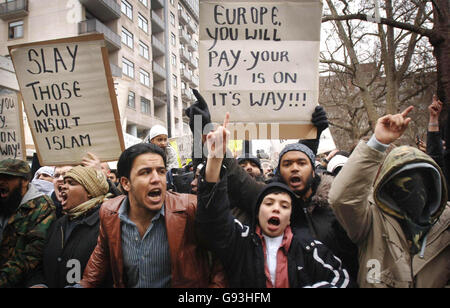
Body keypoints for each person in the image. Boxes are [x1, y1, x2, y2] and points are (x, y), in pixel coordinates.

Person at [185, 90, 359, 281]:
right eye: (286, 164)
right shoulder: (262, 199)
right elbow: (229, 173)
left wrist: (314, 132)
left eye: (301, 164)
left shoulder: (336, 207)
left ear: (314, 170)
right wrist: (201, 126)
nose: (294, 169)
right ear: (278, 173)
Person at [329, 106, 450, 288]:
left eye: (419, 183)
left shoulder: (447, 223)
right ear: (387, 184)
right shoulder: (371, 220)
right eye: (402, 184)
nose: (412, 192)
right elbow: (342, 199)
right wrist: (377, 144)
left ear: (434, 186)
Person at [78, 143, 226, 288]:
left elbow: (222, 252)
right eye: (145, 172)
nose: (156, 179)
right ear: (125, 183)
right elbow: (100, 258)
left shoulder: (189, 208)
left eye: (161, 171)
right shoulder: (109, 212)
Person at [28, 166, 113, 288]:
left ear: (89, 191)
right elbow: (38, 263)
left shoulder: (105, 224)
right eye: (64, 182)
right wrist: (38, 284)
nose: (63, 186)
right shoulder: (58, 223)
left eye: (71, 183)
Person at [0, 159, 55, 287]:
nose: (1, 182)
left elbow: (32, 255)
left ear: (24, 181)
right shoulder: (4, 201)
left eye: (7, 177)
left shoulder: (42, 207)